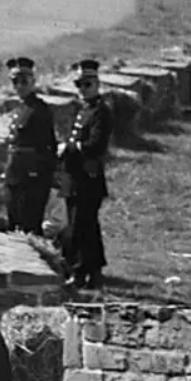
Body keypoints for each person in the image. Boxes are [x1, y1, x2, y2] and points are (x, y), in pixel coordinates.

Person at [58, 60, 112, 290]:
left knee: (80, 227)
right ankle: (93, 271)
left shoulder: (101, 112)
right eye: (79, 84)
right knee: (85, 226)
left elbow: (95, 145)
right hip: (75, 176)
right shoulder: (82, 109)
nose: (83, 89)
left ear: (97, 84)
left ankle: (81, 271)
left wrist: (68, 148)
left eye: (87, 84)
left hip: (87, 178)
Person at [2, 57, 57, 235]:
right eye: (15, 82)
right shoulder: (21, 108)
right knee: (13, 222)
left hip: (31, 178)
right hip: (16, 174)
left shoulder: (39, 110)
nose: (19, 86)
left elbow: (48, 145)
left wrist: (39, 175)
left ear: (33, 82)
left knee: (29, 225)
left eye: (24, 81)